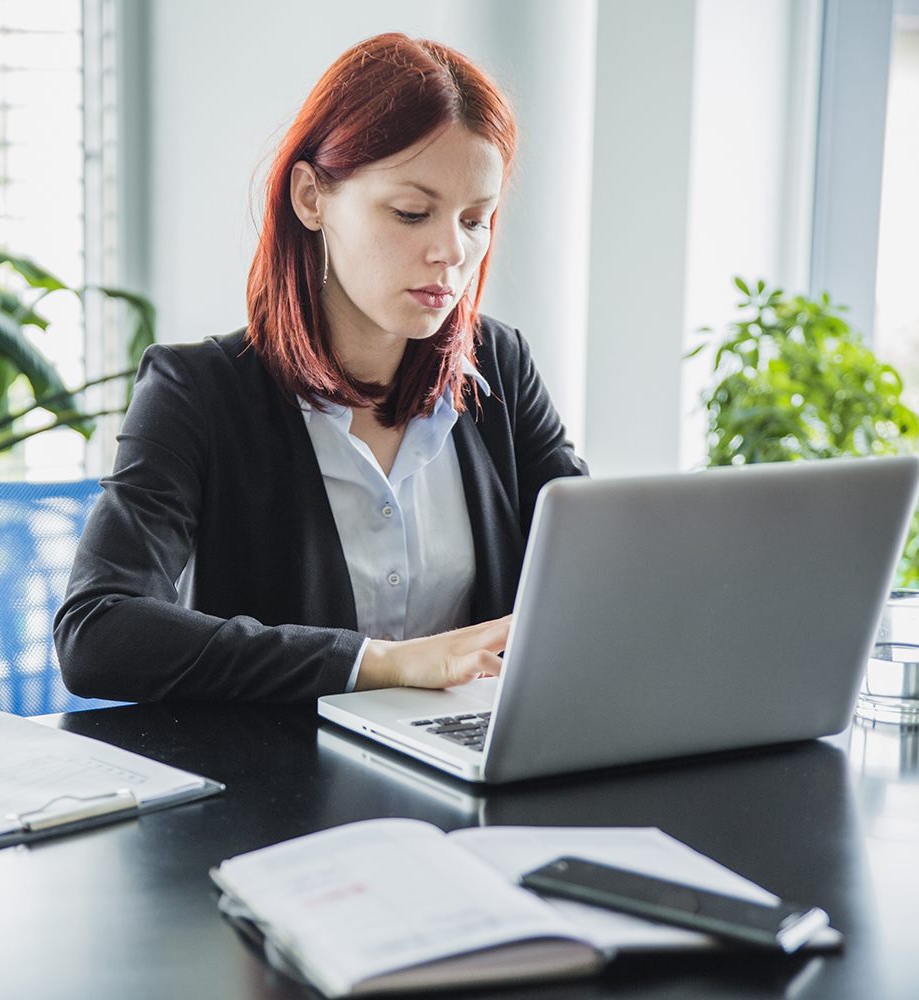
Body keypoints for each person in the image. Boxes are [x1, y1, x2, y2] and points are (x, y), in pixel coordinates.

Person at [54, 33, 586, 703]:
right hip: (279, 787)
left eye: (476, 220)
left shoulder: (497, 367)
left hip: (468, 771)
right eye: (411, 213)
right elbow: (97, 632)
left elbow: (591, 569)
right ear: (311, 197)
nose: (451, 252)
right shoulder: (197, 393)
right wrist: (380, 663)